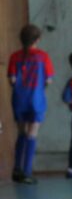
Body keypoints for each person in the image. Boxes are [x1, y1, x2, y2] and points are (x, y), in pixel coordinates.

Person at [7, 24, 54, 184]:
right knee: (32, 134)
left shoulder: (14, 57)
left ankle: (16, 169)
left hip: (19, 99)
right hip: (36, 99)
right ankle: (27, 171)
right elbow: (49, 80)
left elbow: (12, 80)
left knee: (21, 133)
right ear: (38, 39)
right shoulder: (43, 57)